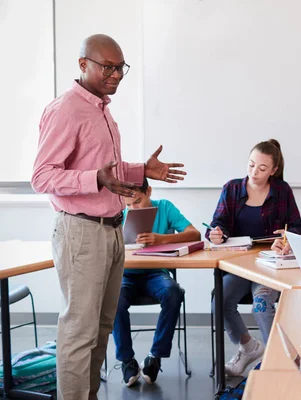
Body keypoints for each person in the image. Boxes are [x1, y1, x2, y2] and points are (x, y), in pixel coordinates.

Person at [31, 34, 185, 400]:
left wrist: (141, 170)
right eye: (108, 67)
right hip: (81, 231)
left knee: (101, 329)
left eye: (120, 68)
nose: (116, 75)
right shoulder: (65, 109)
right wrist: (93, 179)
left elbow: (107, 171)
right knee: (79, 332)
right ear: (83, 65)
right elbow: (42, 176)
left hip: (112, 231)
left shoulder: (101, 108)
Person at [208, 139, 301, 376]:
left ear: (273, 170)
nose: (254, 172)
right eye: (251, 165)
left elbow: (298, 228)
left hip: (270, 264)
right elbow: (217, 223)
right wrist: (216, 234)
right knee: (219, 301)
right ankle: (249, 347)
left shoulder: (282, 190)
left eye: (262, 168)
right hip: (240, 264)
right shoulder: (232, 188)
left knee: (262, 305)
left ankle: (280, 361)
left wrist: (287, 236)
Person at [114, 178, 200, 386]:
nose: (133, 209)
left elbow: (194, 234)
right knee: (114, 299)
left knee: (173, 292)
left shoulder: (164, 207)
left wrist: (160, 239)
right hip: (126, 274)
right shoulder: (117, 213)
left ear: (149, 191)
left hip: (156, 274)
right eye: (128, 205)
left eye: (138, 201)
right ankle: (127, 360)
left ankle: (155, 356)